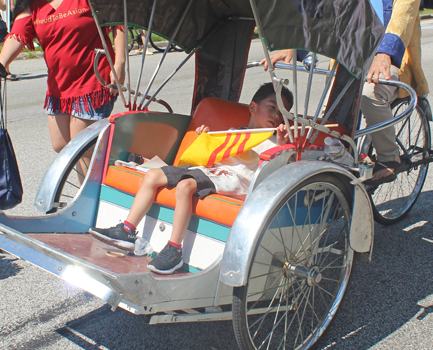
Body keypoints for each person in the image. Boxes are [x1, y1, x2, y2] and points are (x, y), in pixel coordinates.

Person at [264, 0, 428, 186]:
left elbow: (403, 15)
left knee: (368, 94)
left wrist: (385, 54)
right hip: (351, 60)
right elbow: (319, 16)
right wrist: (293, 46)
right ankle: (336, 166)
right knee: (330, 116)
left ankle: (389, 156)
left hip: (392, 59)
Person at [89, 82, 293, 274]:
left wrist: (283, 147)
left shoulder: (274, 141)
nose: (276, 116)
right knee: (153, 175)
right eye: (272, 107)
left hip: (237, 182)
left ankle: (175, 250)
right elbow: (210, 156)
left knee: (186, 186)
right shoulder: (233, 132)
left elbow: (275, 173)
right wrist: (204, 136)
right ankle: (127, 230)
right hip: (212, 172)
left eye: (282, 113)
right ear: (253, 107)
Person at [0, 0, 126, 159]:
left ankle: (92, 192)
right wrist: (0, 64)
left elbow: (117, 22)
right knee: (62, 146)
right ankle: (105, 176)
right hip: (59, 85)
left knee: (82, 149)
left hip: (93, 81)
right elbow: (18, 32)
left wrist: (120, 64)